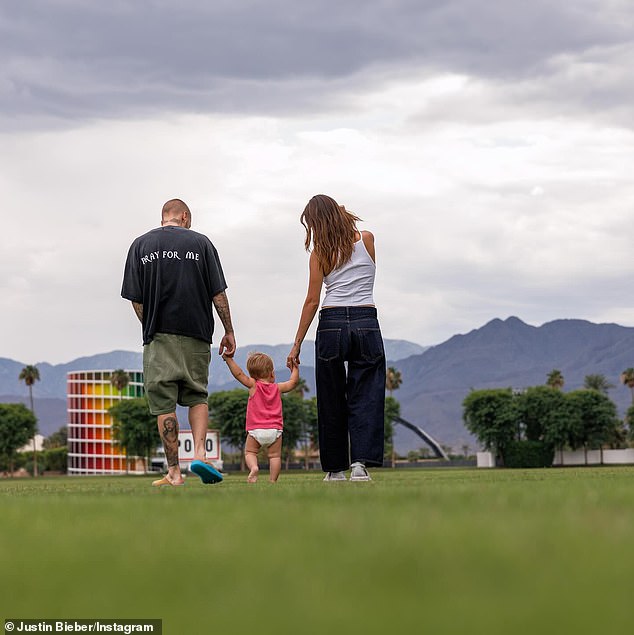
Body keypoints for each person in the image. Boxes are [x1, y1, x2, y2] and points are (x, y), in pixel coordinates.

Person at [121, 198, 236, 487]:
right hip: (198, 333)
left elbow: (135, 298)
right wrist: (229, 330)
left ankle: (174, 472)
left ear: (165, 217)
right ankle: (200, 454)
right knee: (197, 395)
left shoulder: (140, 245)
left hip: (159, 336)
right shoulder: (202, 243)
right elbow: (217, 294)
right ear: (184, 216)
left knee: (164, 405)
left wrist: (150, 324)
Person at [287, 194, 386, 482]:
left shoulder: (320, 253)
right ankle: (359, 466)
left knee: (330, 397)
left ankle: (334, 469)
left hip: (331, 325)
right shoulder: (367, 239)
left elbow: (311, 301)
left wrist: (296, 344)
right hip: (366, 321)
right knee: (366, 395)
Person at [223, 352, 299, 482]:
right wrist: (295, 368)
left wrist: (229, 359)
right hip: (275, 431)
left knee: (250, 453)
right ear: (271, 373)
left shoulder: (253, 385)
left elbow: (239, 374)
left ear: (252, 374)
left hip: (255, 431)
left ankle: (254, 468)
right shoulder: (277, 388)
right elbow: (292, 382)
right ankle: (273, 480)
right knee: (275, 456)